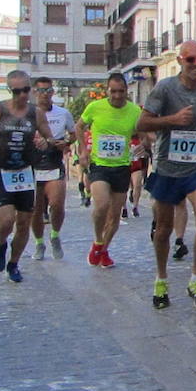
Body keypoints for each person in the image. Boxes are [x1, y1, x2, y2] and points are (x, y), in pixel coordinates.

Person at [138, 41, 196, 311]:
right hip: (167, 168)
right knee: (164, 229)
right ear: (180, 61)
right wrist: (172, 120)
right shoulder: (165, 88)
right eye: (190, 60)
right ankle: (161, 280)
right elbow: (141, 123)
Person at [0, 70, 55, 283]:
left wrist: (45, 142)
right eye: (17, 91)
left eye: (25, 90)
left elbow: (49, 137)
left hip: (26, 172)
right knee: (6, 220)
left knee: (24, 223)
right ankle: (1, 243)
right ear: (9, 90)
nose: (22, 95)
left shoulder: (36, 113)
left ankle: (13, 264)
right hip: (1, 172)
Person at [76, 73, 142, 269]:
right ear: (107, 90)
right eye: (113, 91)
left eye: (121, 91)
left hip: (122, 167)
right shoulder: (95, 107)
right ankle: (97, 241)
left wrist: (145, 143)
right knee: (102, 205)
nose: (117, 96)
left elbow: (144, 132)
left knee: (115, 215)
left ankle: (104, 249)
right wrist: (83, 150)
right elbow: (79, 126)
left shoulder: (134, 110)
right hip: (99, 165)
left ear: (126, 91)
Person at [30, 76, 76, 261]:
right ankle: (39, 242)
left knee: (56, 204)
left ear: (53, 92)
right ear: (34, 92)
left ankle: (55, 236)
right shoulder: (28, 114)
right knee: (36, 209)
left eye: (48, 90)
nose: (44, 95)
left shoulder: (63, 113)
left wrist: (63, 142)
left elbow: (73, 135)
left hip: (54, 163)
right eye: (41, 91)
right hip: (33, 166)